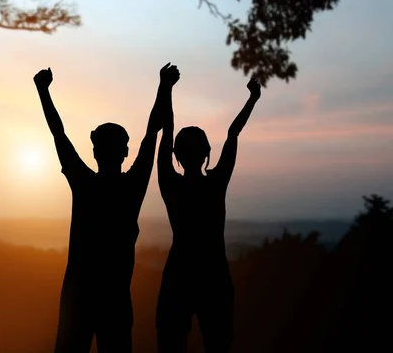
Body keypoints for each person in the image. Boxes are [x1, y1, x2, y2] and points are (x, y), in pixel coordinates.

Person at [34, 63, 180, 353]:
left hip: (80, 295)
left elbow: (58, 134)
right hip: (114, 298)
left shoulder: (84, 182)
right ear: (125, 152)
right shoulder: (132, 186)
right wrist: (164, 86)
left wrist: (43, 91)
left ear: (95, 151)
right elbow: (151, 133)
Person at [156, 76, 262, 353]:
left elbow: (166, 134)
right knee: (218, 343)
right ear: (207, 154)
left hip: (179, 273)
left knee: (171, 343)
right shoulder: (215, 183)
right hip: (214, 274)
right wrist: (252, 99)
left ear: (177, 156)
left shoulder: (171, 184)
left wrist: (165, 89)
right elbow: (232, 134)